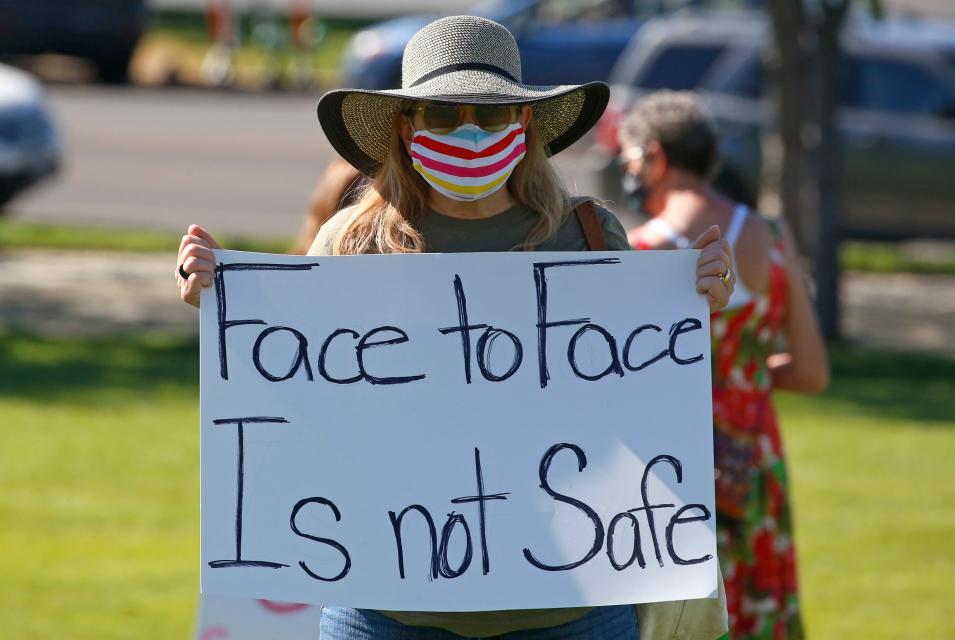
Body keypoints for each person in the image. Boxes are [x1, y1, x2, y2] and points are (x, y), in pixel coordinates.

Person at [176, 17, 735, 640]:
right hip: (387, 607)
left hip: (568, 607)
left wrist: (690, 303)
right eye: (443, 114)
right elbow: (299, 393)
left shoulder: (588, 236)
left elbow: (637, 398)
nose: (470, 130)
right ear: (407, 126)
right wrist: (229, 309)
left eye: (492, 114)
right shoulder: (353, 244)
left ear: (523, 124)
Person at [619, 91, 829, 640]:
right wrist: (747, 378)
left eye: (630, 160)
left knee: (682, 616)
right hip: (755, 460)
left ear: (656, 158)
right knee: (757, 608)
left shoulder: (638, 255)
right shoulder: (773, 239)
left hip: (670, 466)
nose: (629, 173)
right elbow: (810, 372)